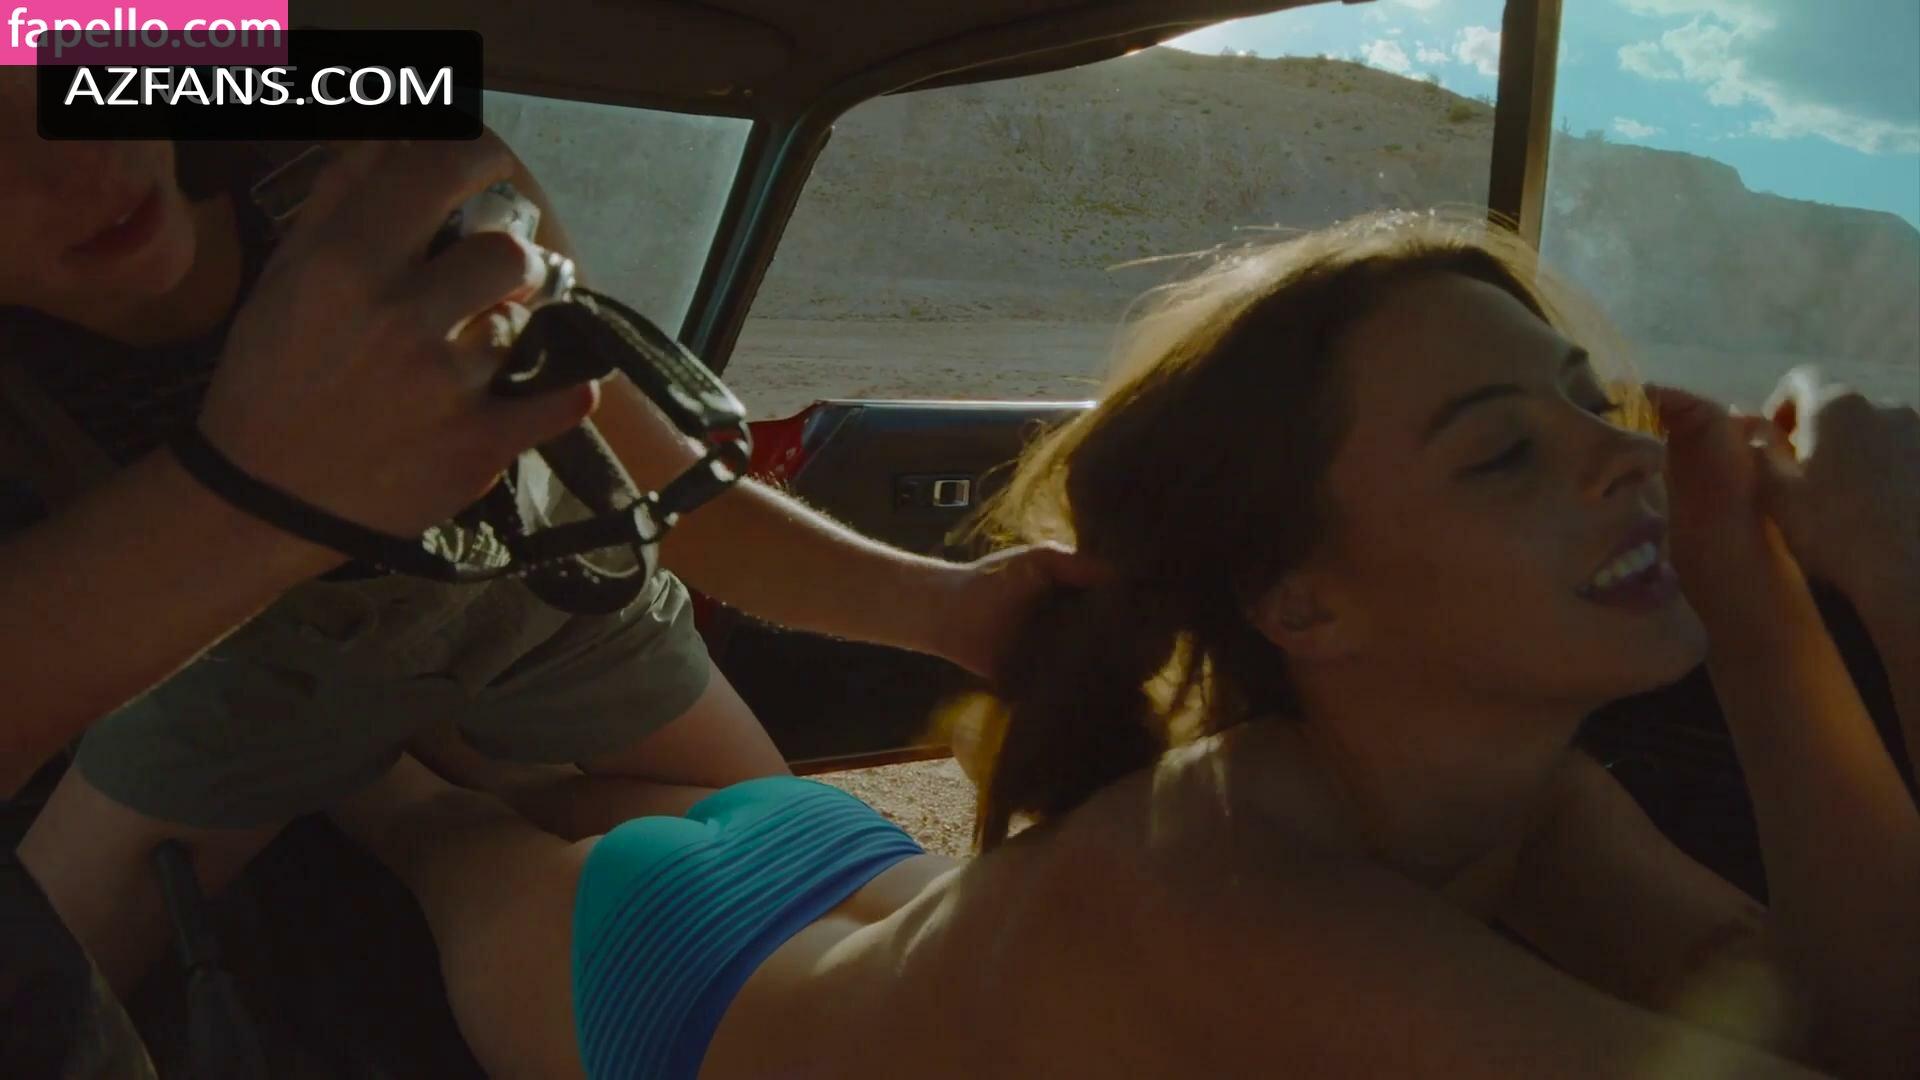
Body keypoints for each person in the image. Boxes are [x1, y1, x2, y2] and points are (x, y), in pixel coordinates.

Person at [331, 211, 1918, 1079]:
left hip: (852, 865)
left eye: (1588, 402)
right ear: (1303, 603)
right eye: (1505, 451)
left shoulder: (1533, 803)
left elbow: (1863, 1030)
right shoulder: (1234, 904)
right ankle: (319, 630)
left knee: (495, 771)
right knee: (421, 815)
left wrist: (1762, 613)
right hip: (666, 972)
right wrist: (1898, 574)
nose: (1625, 456)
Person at [0, 65, 1085, 1009]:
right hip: (225, 666)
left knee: (793, 861)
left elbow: (655, 477)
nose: (73, 163)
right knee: (41, 991)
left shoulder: (378, 150)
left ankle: (421, 783)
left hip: (550, 594)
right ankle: (401, 798)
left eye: (55, 65)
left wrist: (950, 609)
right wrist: (256, 488)